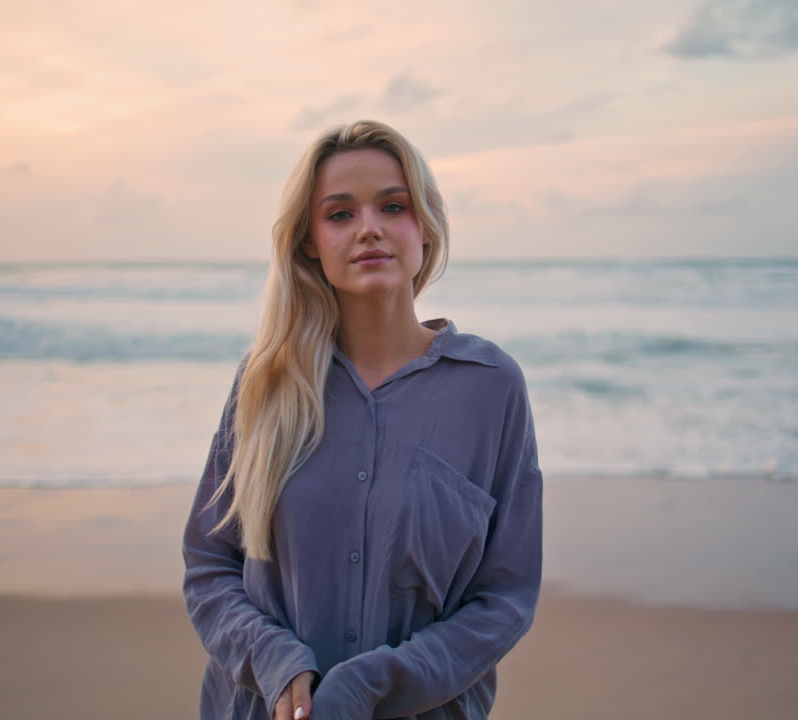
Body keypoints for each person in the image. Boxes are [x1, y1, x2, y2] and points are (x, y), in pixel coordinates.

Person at [182, 119, 542, 720]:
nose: (369, 228)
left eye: (392, 206)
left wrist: (373, 685)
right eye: (340, 214)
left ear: (424, 227)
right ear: (309, 243)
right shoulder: (265, 383)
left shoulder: (491, 387)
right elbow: (210, 565)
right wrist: (275, 662)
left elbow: (504, 597)